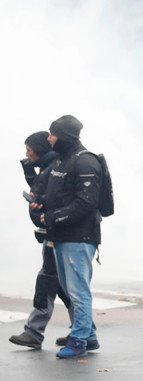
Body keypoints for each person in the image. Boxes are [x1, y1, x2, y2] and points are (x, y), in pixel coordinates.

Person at [35, 115, 103, 358]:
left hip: (79, 238)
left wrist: (53, 217)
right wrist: (40, 203)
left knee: (78, 291)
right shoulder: (62, 160)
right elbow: (60, 195)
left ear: (63, 136)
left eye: (52, 134)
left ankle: (79, 340)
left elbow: (86, 203)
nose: (49, 138)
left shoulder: (85, 162)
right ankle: (89, 335)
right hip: (63, 236)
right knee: (68, 287)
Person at [8, 131, 74, 350]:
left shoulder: (54, 167)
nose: (27, 153)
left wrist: (42, 214)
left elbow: (43, 195)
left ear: (40, 149)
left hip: (56, 234)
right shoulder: (53, 165)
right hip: (56, 233)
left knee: (46, 282)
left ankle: (34, 332)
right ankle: (84, 330)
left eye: (29, 149)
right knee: (64, 286)